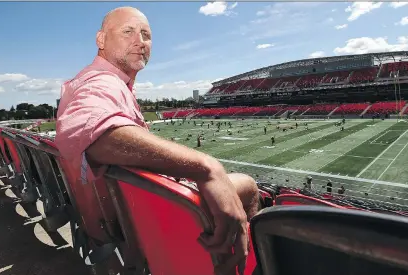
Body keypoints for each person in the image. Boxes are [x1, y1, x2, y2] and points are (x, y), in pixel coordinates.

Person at [55, 7, 258, 274]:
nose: (140, 41)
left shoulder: (107, 82)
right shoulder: (101, 82)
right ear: (101, 40)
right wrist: (205, 166)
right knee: (251, 187)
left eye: (146, 35)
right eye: (128, 32)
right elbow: (89, 131)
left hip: (122, 219)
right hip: (138, 224)